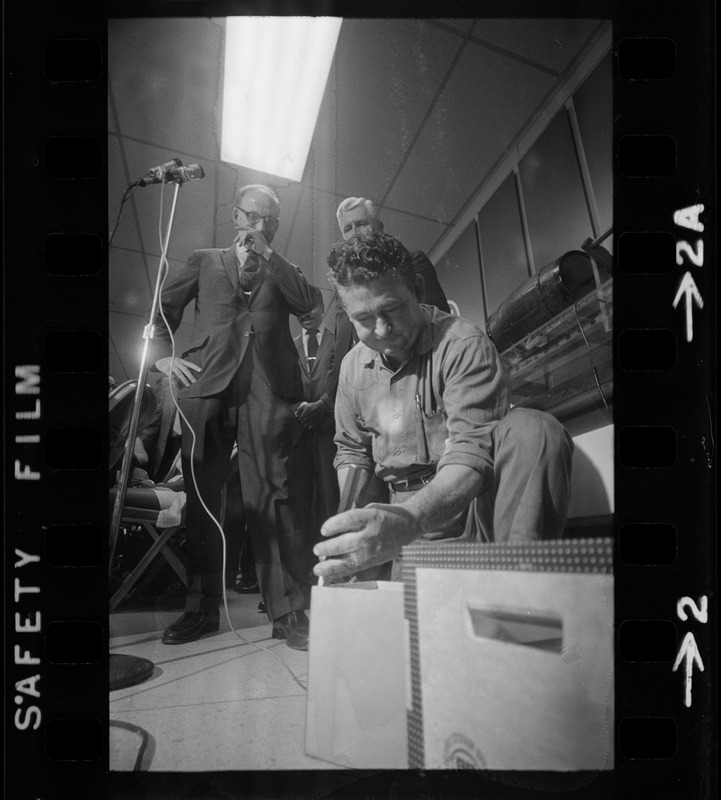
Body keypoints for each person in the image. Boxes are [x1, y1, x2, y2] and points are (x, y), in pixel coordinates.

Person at [313, 232, 573, 583]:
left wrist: (408, 521)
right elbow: (352, 454)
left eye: (392, 309)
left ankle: (520, 592)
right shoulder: (350, 369)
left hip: (473, 509)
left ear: (418, 290)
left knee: (533, 429)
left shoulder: (463, 344)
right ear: (347, 313)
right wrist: (351, 533)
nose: (382, 329)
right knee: (424, 629)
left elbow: (471, 453)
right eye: (363, 319)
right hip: (408, 524)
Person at [153, 183, 322, 649]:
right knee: (203, 501)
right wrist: (162, 357)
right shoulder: (204, 260)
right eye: (254, 217)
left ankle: (287, 611)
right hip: (207, 386)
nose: (261, 226)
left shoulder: (284, 270)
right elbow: (160, 311)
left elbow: (312, 308)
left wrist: (271, 256)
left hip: (269, 392)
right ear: (235, 216)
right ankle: (200, 610)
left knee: (274, 494)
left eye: (271, 221)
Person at [327, 197, 451, 404]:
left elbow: (434, 324)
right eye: (347, 228)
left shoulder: (412, 262)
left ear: (380, 228)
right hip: (358, 396)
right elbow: (339, 348)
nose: (355, 233)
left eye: (361, 224)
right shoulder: (345, 292)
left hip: (414, 386)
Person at [292, 299, 340, 557]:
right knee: (300, 501)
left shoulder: (338, 342)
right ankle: (305, 565)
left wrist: (322, 405)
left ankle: (333, 558)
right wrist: (298, 409)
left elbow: (343, 379)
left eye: (309, 308)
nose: (305, 314)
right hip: (298, 432)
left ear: (322, 308)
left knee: (329, 496)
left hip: (329, 431)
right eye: (300, 309)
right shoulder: (288, 345)